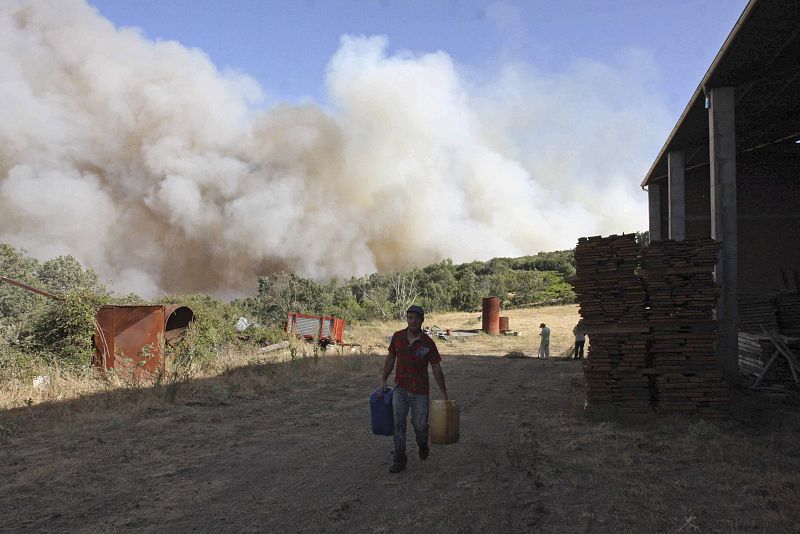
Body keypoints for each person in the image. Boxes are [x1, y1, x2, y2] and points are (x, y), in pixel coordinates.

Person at [381, 304, 447, 474]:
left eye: (416, 318)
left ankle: (422, 444)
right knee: (398, 425)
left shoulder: (428, 343)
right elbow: (390, 358)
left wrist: (443, 392)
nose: (413, 321)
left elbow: (436, 367)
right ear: (407, 319)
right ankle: (399, 458)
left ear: (422, 320)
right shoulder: (397, 337)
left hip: (420, 392)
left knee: (420, 427)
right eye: (410, 317)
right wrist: (384, 379)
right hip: (400, 389)